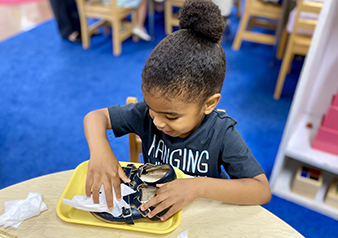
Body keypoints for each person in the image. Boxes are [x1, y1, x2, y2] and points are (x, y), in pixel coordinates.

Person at [83, 0, 271, 222]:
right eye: (153, 110)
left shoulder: (221, 132)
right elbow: (95, 117)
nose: (158, 123)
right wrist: (101, 153)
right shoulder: (148, 114)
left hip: (201, 218)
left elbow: (261, 190)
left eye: (171, 116)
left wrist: (198, 186)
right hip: (156, 218)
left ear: (209, 104)